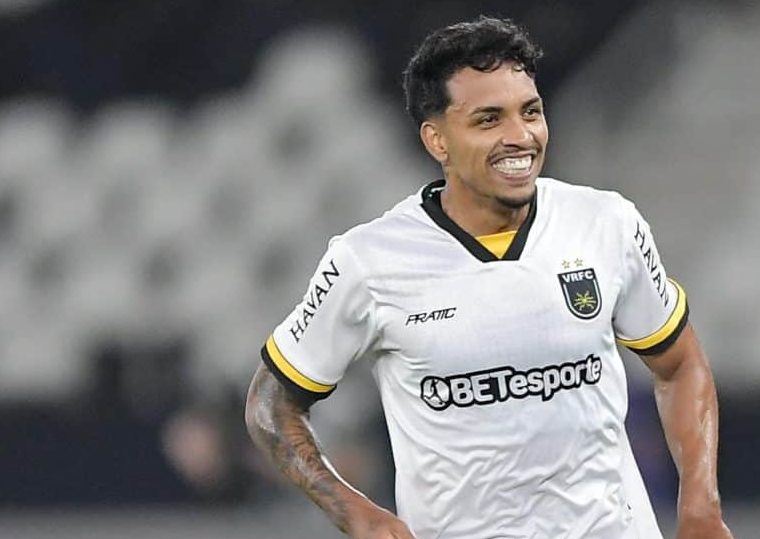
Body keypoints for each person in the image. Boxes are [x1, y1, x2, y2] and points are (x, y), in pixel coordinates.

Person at [245, 16, 734, 539]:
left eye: (531, 111)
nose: (520, 136)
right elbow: (271, 405)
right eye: (488, 120)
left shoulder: (606, 224)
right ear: (437, 140)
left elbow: (680, 365)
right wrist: (354, 511)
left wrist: (701, 507)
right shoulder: (368, 261)